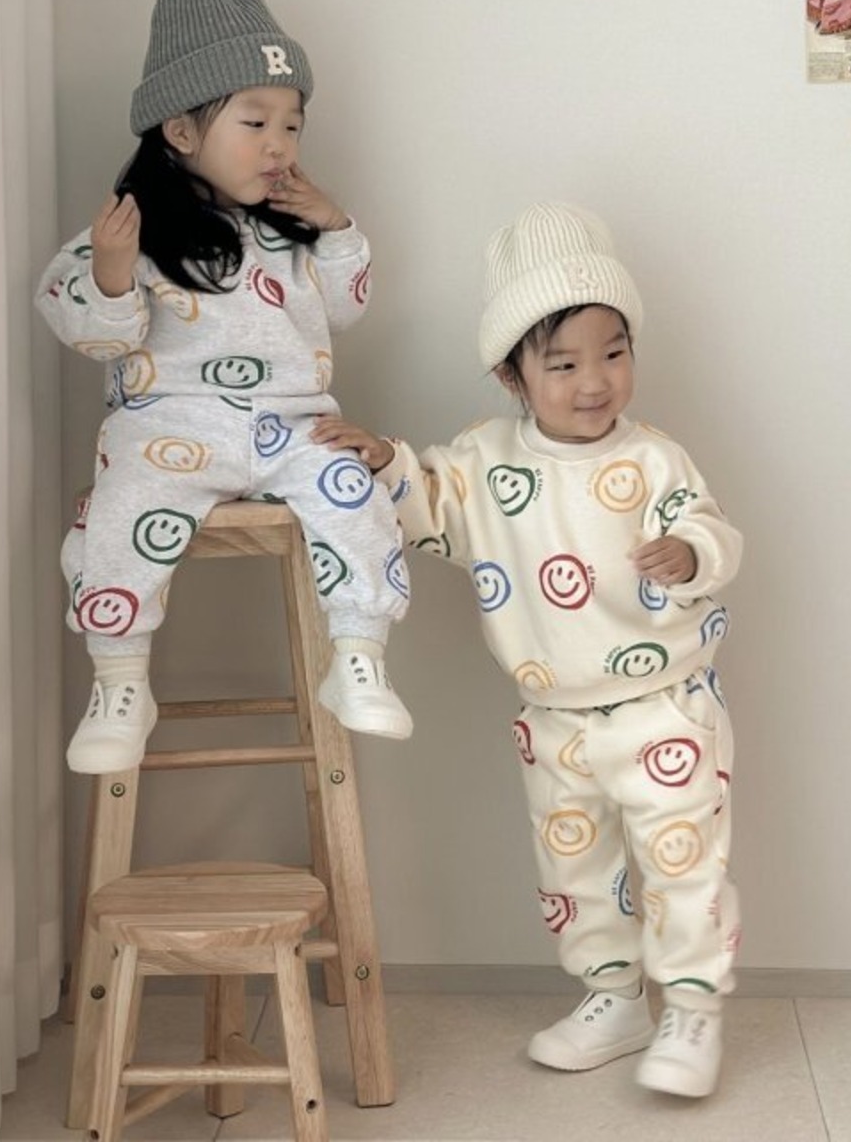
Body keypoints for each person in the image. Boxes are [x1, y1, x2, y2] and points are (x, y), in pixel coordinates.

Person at [313, 202, 744, 1098]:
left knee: (682, 863)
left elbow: (713, 530)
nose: (595, 382)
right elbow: (429, 503)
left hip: (664, 708)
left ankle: (693, 1009)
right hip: (552, 718)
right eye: (564, 363)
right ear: (513, 374)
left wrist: (691, 551)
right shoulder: (485, 459)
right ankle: (612, 999)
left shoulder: (655, 460)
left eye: (614, 354)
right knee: (576, 873)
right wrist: (383, 459)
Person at [36, 0, 414, 775]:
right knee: (120, 507)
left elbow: (346, 309)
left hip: (292, 426)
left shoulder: (293, 233)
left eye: (292, 125)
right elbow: (90, 334)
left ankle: (359, 654)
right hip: (171, 428)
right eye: (255, 122)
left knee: (355, 491)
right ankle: (120, 681)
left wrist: (337, 229)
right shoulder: (135, 231)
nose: (280, 145)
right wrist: (110, 272)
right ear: (180, 130)